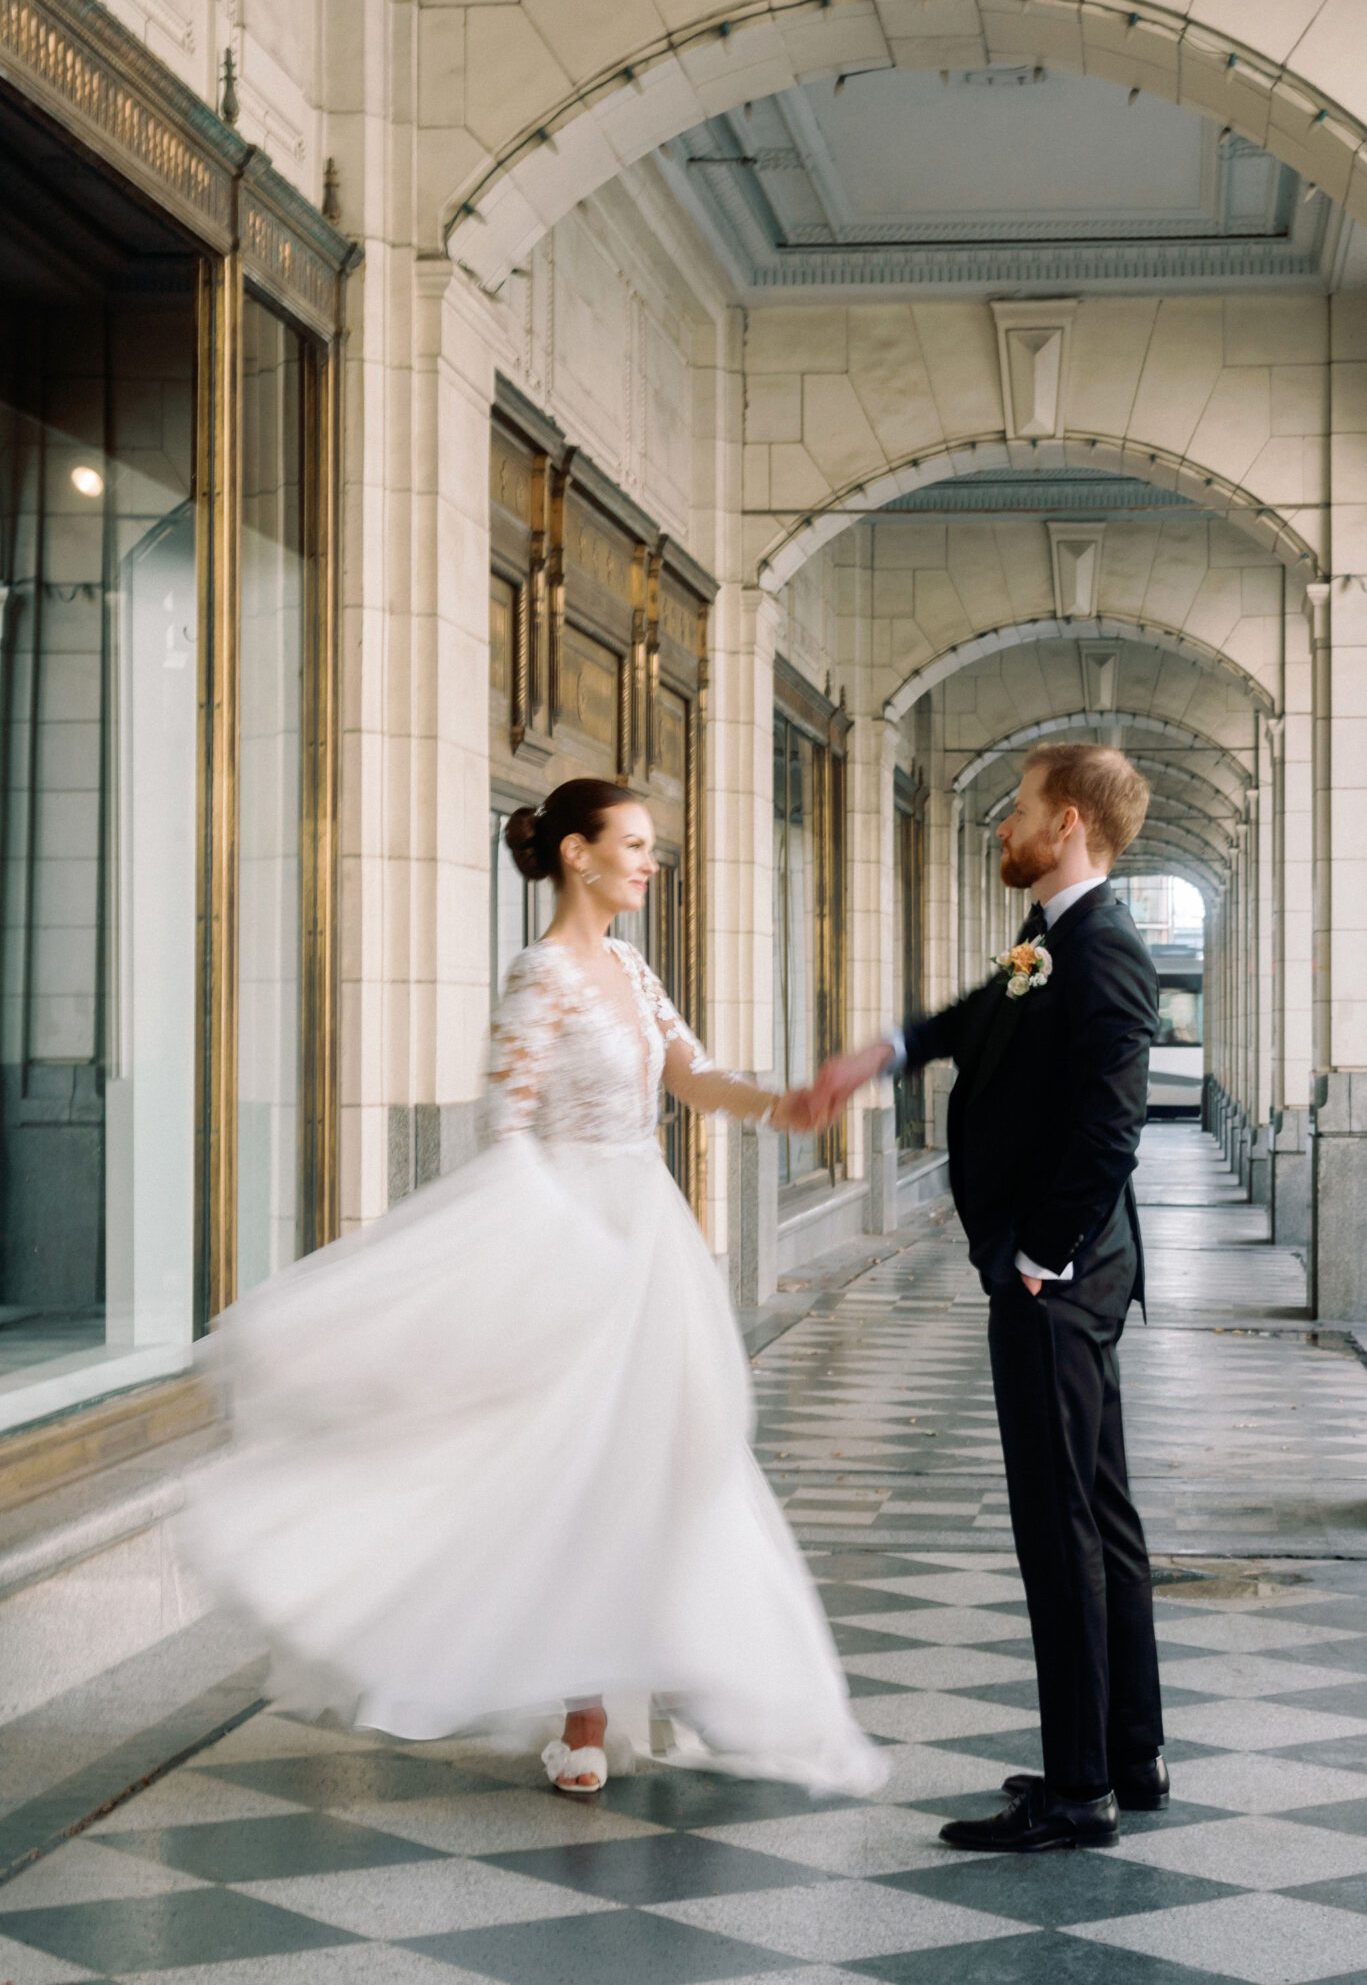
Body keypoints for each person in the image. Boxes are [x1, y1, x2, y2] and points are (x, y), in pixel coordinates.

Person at [183, 776, 885, 1802]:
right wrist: (553, 1245)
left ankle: (670, 1660)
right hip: (569, 1236)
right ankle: (583, 1707)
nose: (649, 861)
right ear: (575, 853)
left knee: (674, 1455)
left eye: (650, 845)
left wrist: (788, 1103)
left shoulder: (634, 970)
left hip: (650, 1237)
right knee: (572, 1468)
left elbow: (690, 1076)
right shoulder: (539, 972)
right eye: (633, 843)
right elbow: (501, 1124)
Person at [809, 743, 1166, 1852]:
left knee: (1054, 1525)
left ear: (1064, 823)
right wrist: (883, 1050)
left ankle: (1073, 1793)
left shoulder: (1100, 948)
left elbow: (1113, 1121)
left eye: (1013, 810)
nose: (999, 828)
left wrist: (1040, 1255)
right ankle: (1126, 1753)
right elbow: (981, 1016)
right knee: (1098, 1512)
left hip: (1058, 1277)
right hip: (1066, 1273)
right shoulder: (1052, 942)